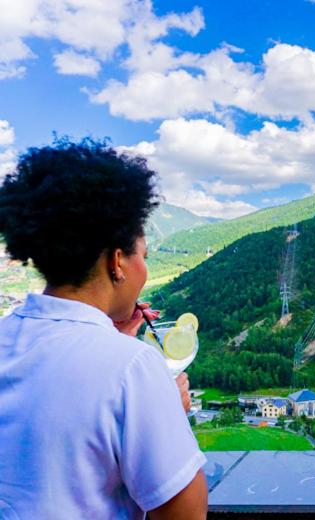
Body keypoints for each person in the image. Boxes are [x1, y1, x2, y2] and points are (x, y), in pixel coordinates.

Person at [0, 140, 208, 519]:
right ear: (117, 262)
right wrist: (166, 410)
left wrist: (116, 342)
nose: (143, 269)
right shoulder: (132, 367)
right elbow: (186, 514)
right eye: (143, 256)